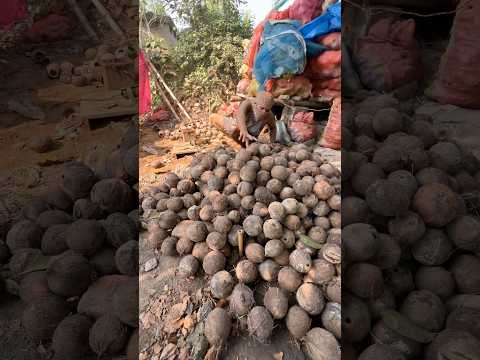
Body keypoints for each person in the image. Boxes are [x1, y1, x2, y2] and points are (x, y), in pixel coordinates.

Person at [210, 91, 276, 147]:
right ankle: (234, 141)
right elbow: (240, 114)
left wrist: (272, 142)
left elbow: (273, 128)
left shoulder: (269, 115)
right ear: (256, 103)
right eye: (261, 108)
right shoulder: (248, 103)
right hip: (239, 129)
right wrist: (244, 131)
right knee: (213, 117)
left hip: (251, 138)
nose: (264, 112)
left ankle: (239, 145)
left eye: (267, 110)